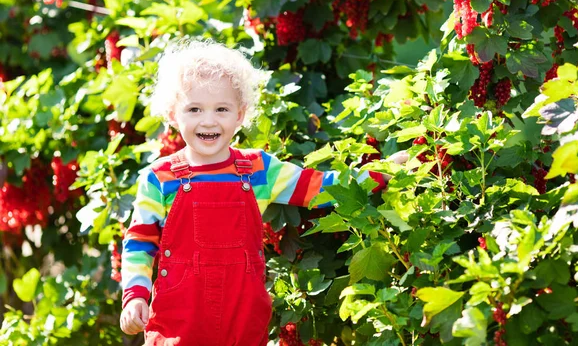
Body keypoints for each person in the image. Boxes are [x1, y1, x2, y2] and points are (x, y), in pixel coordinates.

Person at [119, 39, 408, 345]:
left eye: (221, 109)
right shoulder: (160, 178)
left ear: (240, 114)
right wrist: (135, 295)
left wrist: (378, 174)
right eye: (194, 109)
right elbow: (139, 241)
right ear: (174, 114)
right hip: (179, 325)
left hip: (242, 320)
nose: (208, 120)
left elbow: (320, 188)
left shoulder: (257, 170)